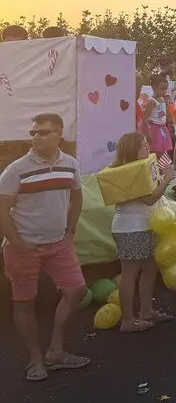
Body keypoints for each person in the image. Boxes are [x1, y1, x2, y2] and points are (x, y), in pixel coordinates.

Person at [0, 113, 89, 381]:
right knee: (24, 302)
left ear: (59, 133)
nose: (36, 136)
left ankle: (55, 350)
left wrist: (69, 232)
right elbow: (2, 209)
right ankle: (36, 359)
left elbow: (77, 196)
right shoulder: (17, 169)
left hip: (58, 245)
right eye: (33, 133)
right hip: (23, 248)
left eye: (43, 132)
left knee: (76, 290)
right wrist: (17, 242)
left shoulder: (70, 164)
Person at [108, 132, 176, 331]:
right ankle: (128, 321)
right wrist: (166, 179)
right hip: (132, 227)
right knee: (130, 272)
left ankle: (147, 311)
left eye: (147, 143)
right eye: (143, 145)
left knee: (149, 268)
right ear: (131, 149)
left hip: (139, 225)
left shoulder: (131, 169)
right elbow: (149, 199)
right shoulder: (131, 172)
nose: (148, 147)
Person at [141, 74, 174, 156]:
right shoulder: (151, 101)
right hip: (154, 129)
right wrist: (148, 134)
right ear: (154, 87)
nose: (164, 91)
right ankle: (155, 167)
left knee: (162, 150)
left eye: (166, 89)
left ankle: (161, 167)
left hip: (162, 127)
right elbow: (145, 118)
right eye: (162, 89)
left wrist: (169, 122)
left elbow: (165, 112)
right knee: (155, 151)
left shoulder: (162, 99)